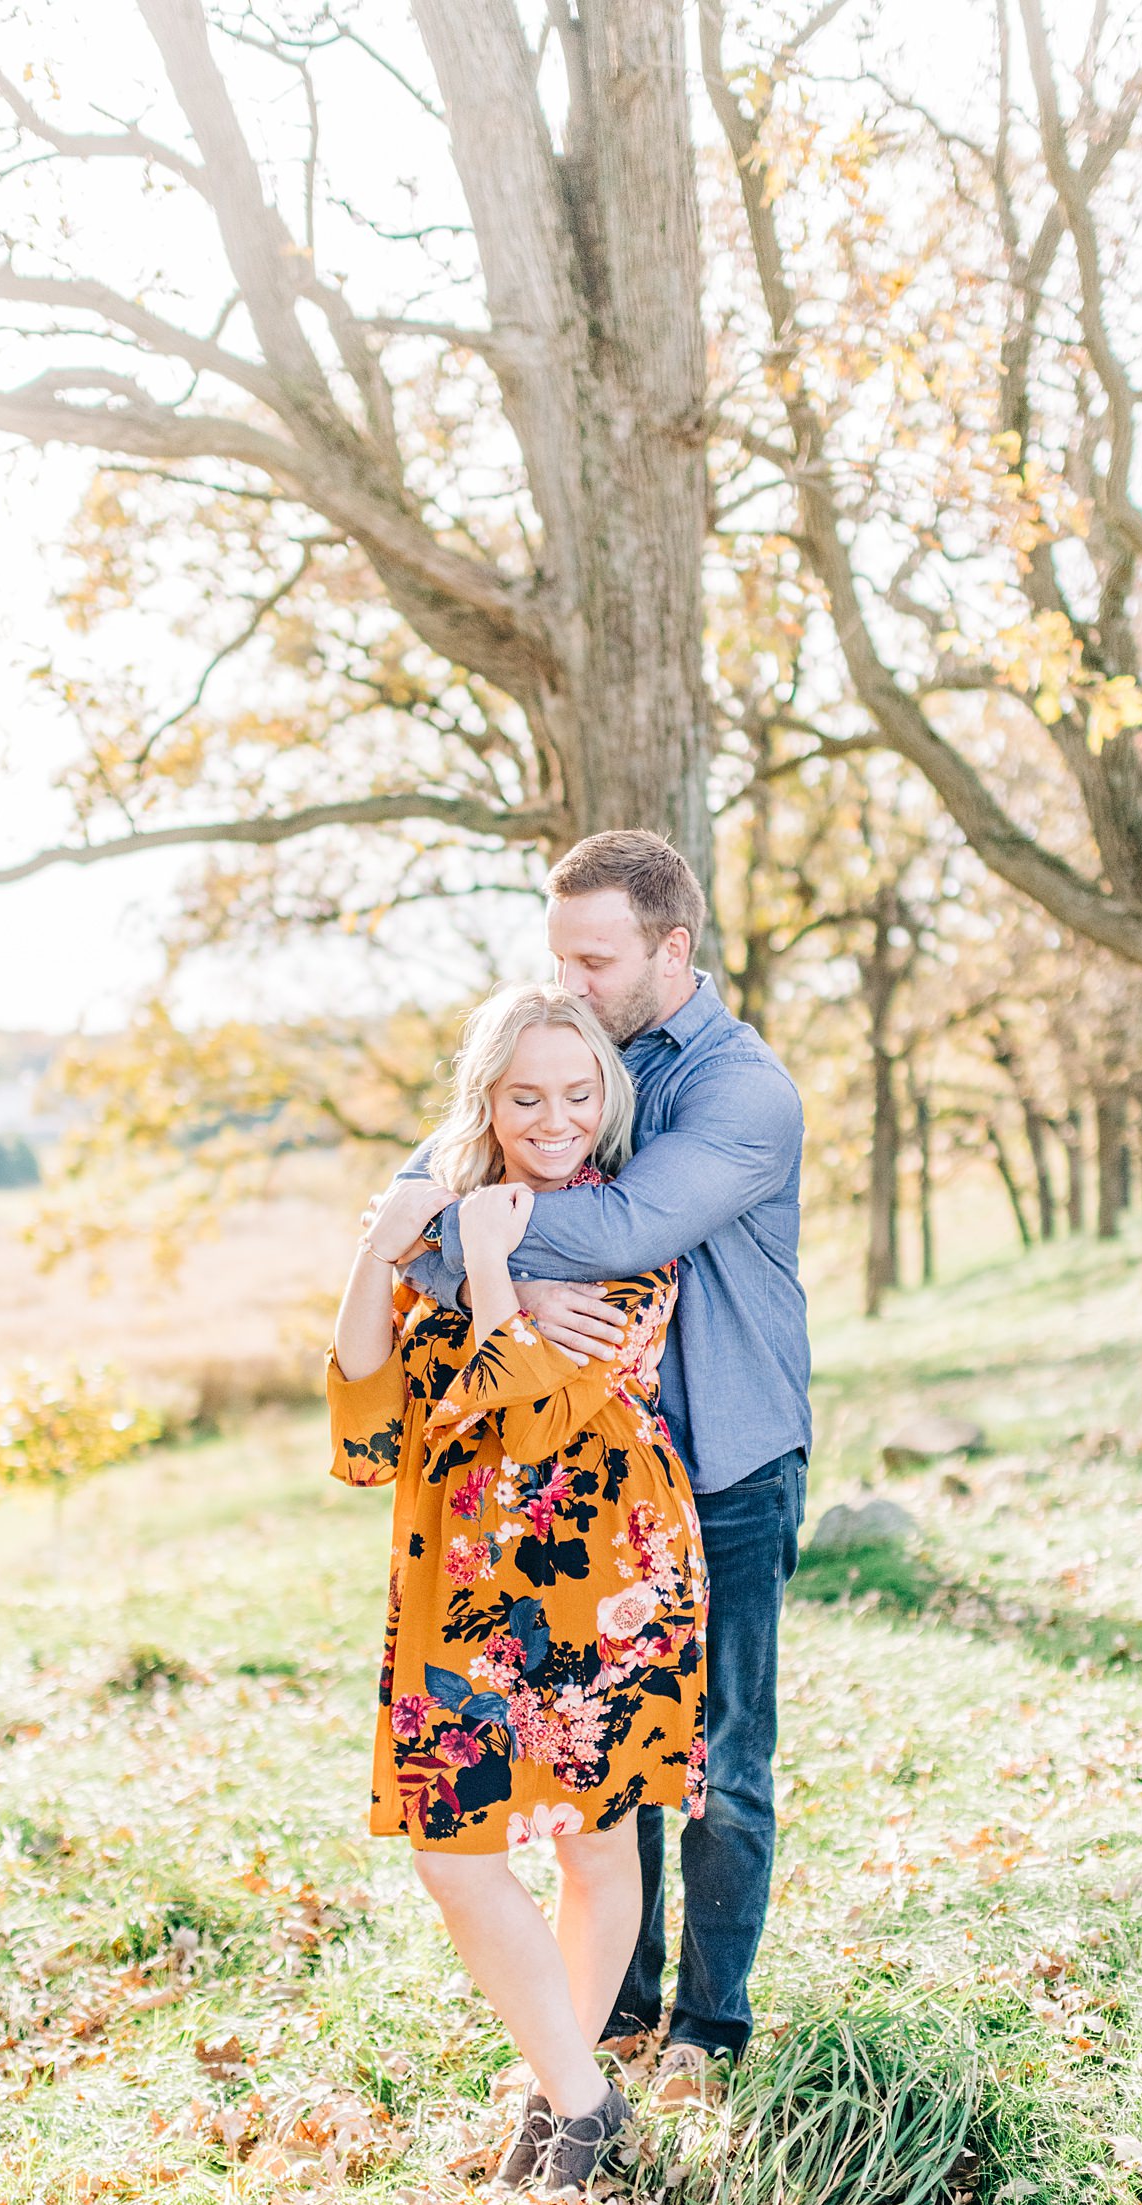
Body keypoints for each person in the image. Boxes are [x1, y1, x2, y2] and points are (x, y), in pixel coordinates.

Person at [398, 831, 810, 2097]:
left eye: (594, 957)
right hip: (591, 1486)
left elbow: (620, 1227)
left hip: (728, 1461)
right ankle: (608, 2025)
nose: (568, 980)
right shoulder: (567, 1068)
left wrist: (459, 1234)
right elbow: (442, 1174)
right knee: (599, 1757)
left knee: (722, 1765)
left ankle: (709, 2027)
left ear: (670, 950)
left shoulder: (744, 1091)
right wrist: (448, 1227)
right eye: (556, 955)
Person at [327, 983, 707, 2192]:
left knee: (594, 1842)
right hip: (458, 1580)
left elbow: (533, 1420)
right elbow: (363, 1401)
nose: (553, 1118)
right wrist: (385, 1246)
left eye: (578, 1093)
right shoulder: (445, 1222)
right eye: (526, 1094)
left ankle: (566, 2111)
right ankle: (582, 2099)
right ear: (484, 1099)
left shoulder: (627, 1228)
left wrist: (495, 1274)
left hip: (599, 1572)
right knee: (454, 1853)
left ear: (609, 1099)